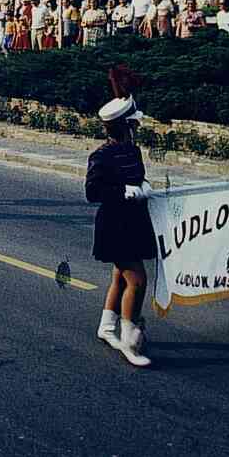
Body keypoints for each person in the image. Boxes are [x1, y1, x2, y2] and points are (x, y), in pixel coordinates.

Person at [86, 94, 155, 368]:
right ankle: (129, 339)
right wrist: (123, 191)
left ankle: (106, 327)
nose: (137, 127)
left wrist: (144, 186)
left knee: (120, 276)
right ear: (124, 126)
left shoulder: (133, 151)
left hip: (134, 222)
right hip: (114, 225)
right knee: (137, 281)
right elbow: (92, 192)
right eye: (133, 124)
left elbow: (137, 177)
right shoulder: (101, 156)